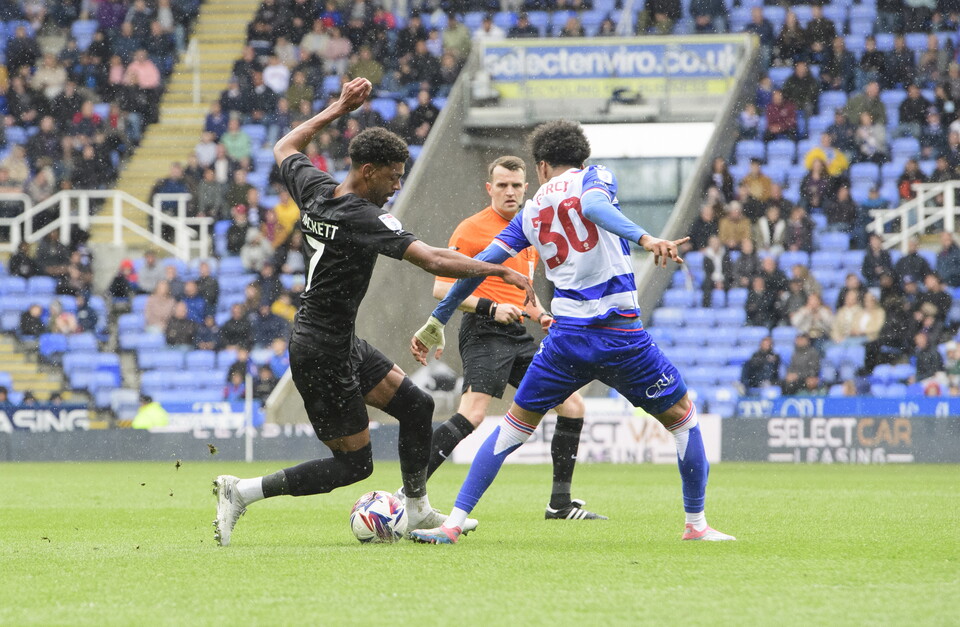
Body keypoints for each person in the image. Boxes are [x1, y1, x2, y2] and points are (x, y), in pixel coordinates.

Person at [211, 78, 535, 547]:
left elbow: (285, 145)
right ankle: (242, 491)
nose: (397, 187)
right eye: (393, 177)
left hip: (338, 340)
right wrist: (498, 270)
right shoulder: (363, 218)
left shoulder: (316, 189)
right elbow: (433, 259)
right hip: (319, 352)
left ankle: (418, 508)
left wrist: (338, 108)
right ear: (367, 171)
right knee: (354, 465)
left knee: (417, 406)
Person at [408, 120, 734, 544]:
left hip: (566, 342)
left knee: (510, 429)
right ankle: (695, 525)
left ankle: (452, 525)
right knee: (683, 421)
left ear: (541, 167)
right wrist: (646, 237)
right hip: (621, 337)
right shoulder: (595, 177)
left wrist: (438, 318)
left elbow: (477, 267)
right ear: (582, 158)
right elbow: (596, 208)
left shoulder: (530, 211)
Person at [426, 155, 600, 520]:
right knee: (472, 415)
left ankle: (560, 504)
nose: (509, 191)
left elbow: (522, 296)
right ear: (489, 188)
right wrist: (490, 308)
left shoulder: (531, 229)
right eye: (502, 185)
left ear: (526, 188)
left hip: (518, 333)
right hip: (484, 331)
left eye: (516, 185)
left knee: (572, 406)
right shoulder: (471, 229)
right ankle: (409, 492)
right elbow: (442, 288)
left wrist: (542, 314)